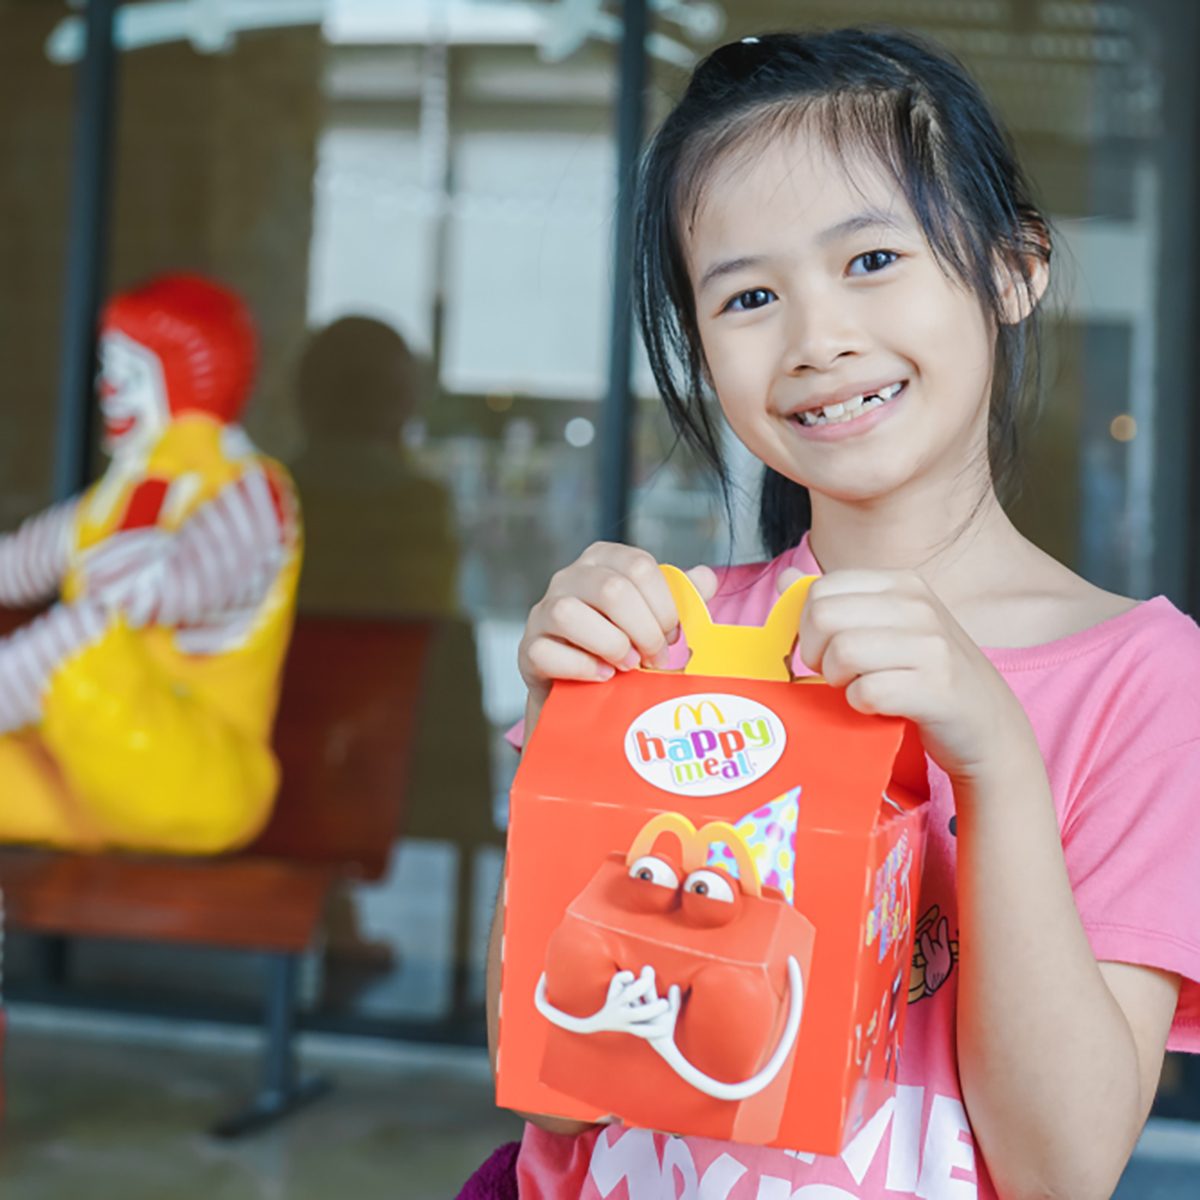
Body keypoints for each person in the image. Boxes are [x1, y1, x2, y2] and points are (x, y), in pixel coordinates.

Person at [484, 27, 1200, 1200]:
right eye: (752, 294)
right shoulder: (669, 640)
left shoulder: (1146, 681)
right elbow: (553, 1069)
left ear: (1015, 269)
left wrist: (997, 760)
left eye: (871, 260)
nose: (819, 341)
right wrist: (563, 734)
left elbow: (1065, 1170)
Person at [0, 273, 302, 853]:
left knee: (86, 642)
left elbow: (124, 592)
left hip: (203, 782)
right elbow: (20, 563)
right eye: (107, 371)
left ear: (189, 382)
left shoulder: (251, 495)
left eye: (129, 375)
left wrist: (170, 462)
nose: (108, 391)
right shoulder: (118, 494)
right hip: (96, 769)